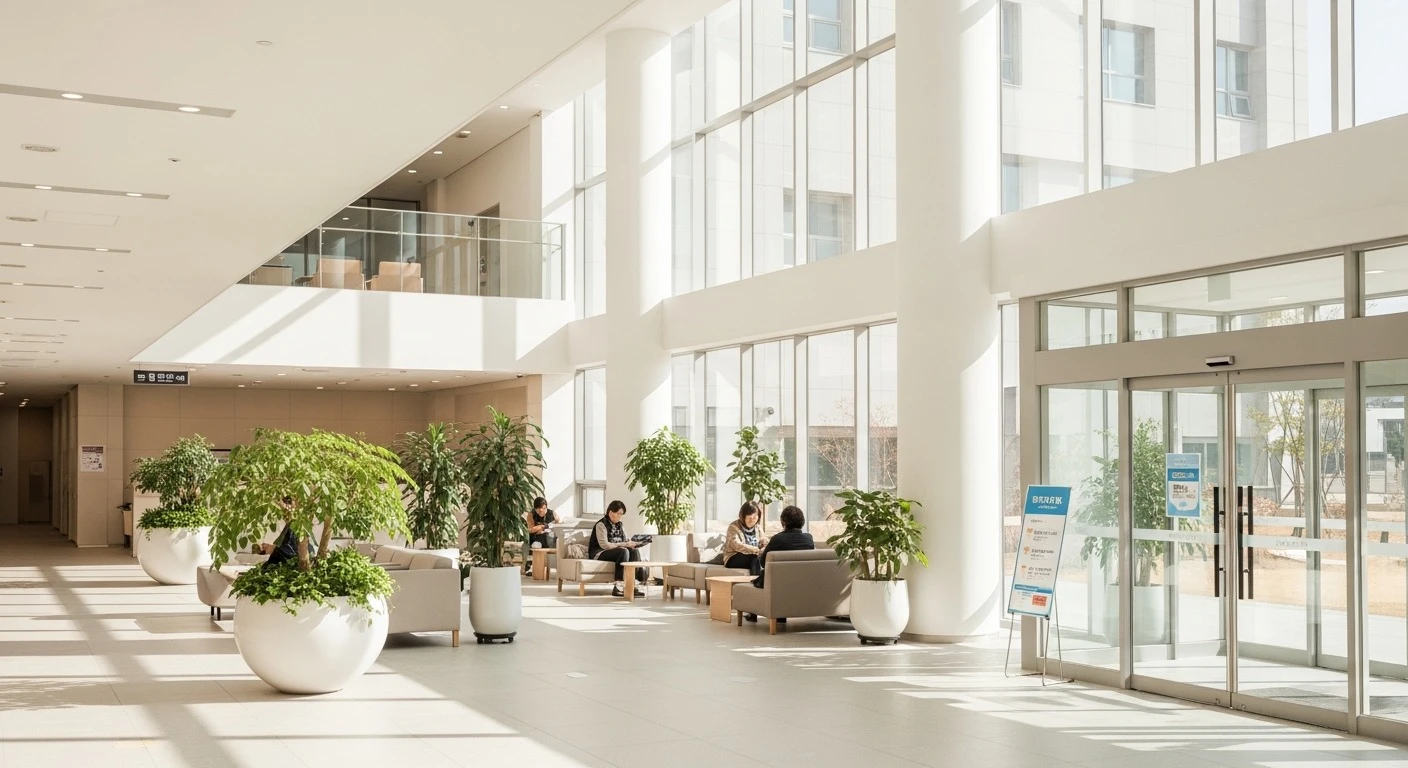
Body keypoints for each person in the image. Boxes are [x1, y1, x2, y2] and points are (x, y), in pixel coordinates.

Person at [745, 505, 815, 624]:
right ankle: (780, 615)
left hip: (777, 584)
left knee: (760, 580)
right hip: (801, 582)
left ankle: (753, 613)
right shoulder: (808, 539)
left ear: (783, 522)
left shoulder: (778, 539)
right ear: (802, 521)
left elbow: (763, 562)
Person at [589, 500, 647, 597]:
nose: (620, 516)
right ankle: (618, 587)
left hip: (617, 551)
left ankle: (632, 586)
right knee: (623, 551)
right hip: (599, 553)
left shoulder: (620, 525)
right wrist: (624, 544)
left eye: (621, 514)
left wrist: (632, 543)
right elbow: (605, 545)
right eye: (618, 514)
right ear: (611, 512)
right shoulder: (601, 524)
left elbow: (625, 540)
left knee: (634, 551)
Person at [722, 501, 768, 577]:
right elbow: (736, 545)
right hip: (733, 557)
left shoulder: (758, 527)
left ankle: (766, 583)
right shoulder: (734, 527)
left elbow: (764, 541)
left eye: (754, 517)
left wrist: (764, 546)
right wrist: (756, 550)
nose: (752, 520)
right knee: (754, 557)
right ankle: (755, 582)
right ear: (743, 516)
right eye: (749, 517)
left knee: (764, 558)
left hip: (753, 555)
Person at [523, 496, 557, 575]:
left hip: (549, 538)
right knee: (535, 539)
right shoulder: (531, 515)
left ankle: (530, 566)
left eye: (544, 510)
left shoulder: (552, 513)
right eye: (539, 511)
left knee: (542, 537)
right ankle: (531, 566)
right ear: (535, 509)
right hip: (535, 537)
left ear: (546, 507)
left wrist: (541, 529)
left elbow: (558, 525)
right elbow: (531, 529)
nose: (542, 512)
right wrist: (542, 527)